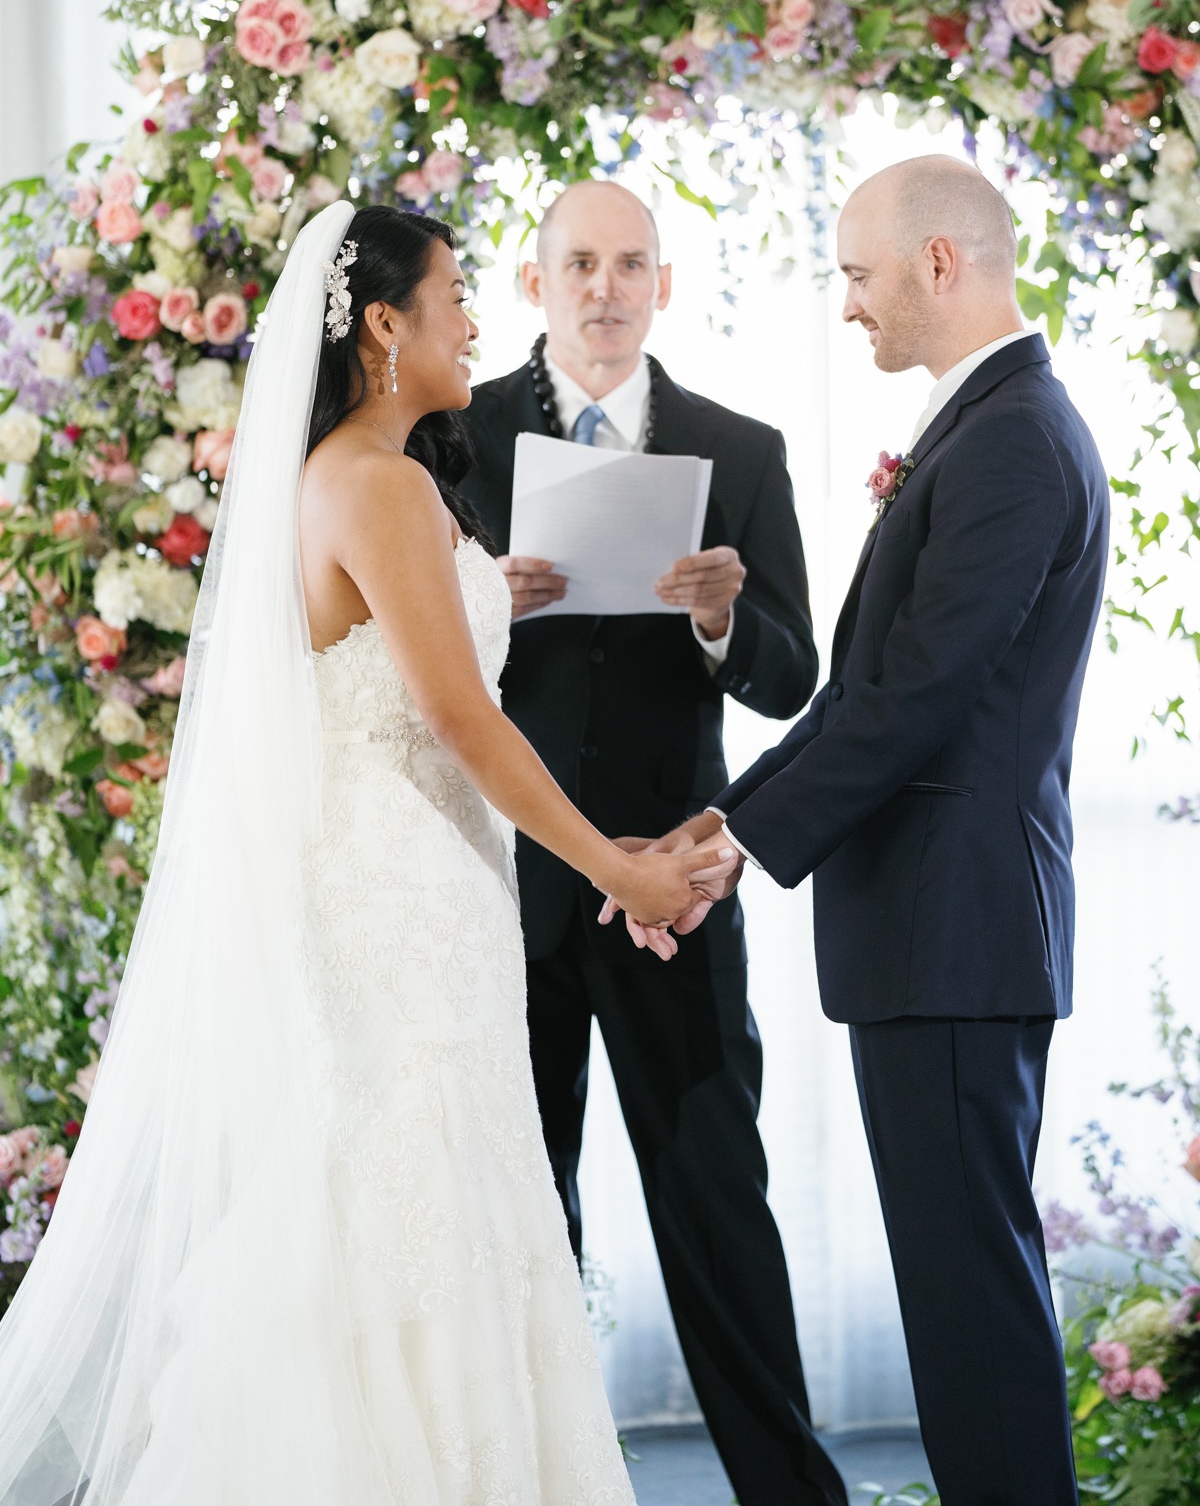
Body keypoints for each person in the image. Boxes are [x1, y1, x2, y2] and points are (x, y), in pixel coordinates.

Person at [0, 201, 736, 1505]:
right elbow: (458, 718)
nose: (475, 320)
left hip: (406, 872)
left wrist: (477, 591)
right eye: (456, 296)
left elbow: (385, 663)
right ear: (386, 323)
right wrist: (615, 868)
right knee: (426, 1189)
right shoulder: (383, 483)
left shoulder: (350, 476)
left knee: (411, 1180)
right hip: (403, 886)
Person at [612, 155, 1109, 1506]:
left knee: (972, 1314)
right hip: (940, 932)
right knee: (964, 1304)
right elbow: (870, 696)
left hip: (957, 933)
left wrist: (726, 851)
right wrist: (726, 822)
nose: (848, 308)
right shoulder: (991, 425)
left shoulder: (1011, 437)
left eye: (857, 274)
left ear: (939, 265)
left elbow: (921, 699)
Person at [463, 180, 848, 1506]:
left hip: (669, 889)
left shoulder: (738, 450)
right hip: (495, 887)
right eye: (580, 263)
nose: (605, 289)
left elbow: (796, 679)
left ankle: (790, 1492)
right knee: (519, 1210)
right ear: (536, 281)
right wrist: (484, 611)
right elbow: (393, 664)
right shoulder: (452, 440)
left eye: (632, 265)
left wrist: (720, 623)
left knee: (715, 1200)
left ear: (664, 287)